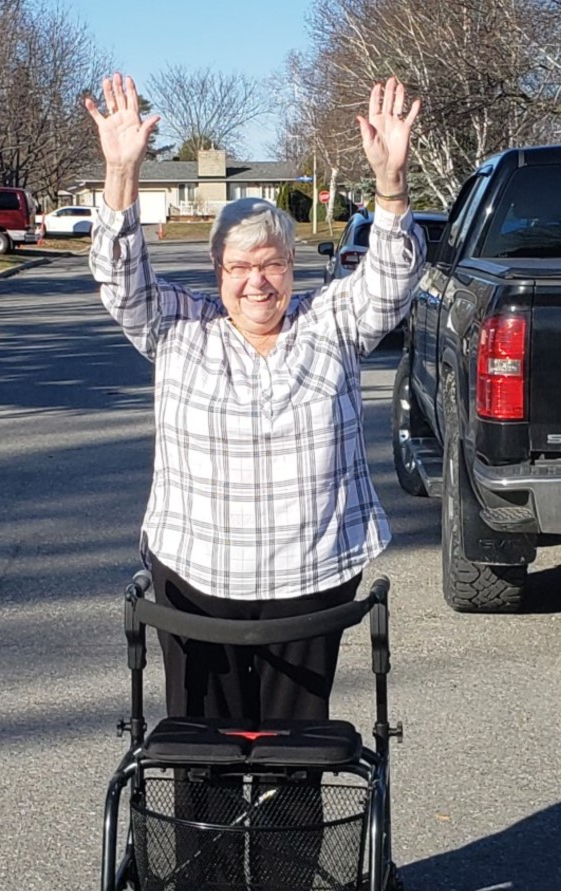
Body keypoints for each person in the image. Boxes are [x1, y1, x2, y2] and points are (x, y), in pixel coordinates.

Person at [86, 71, 425, 889]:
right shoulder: (179, 326)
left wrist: (389, 184)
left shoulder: (329, 324)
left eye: (270, 262)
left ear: (291, 266)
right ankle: (202, 882)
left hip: (309, 583)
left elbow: (391, 279)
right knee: (198, 753)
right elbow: (119, 277)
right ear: (216, 270)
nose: (256, 280)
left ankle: (282, 881)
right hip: (194, 584)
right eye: (239, 265)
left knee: (292, 759)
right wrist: (122, 172)